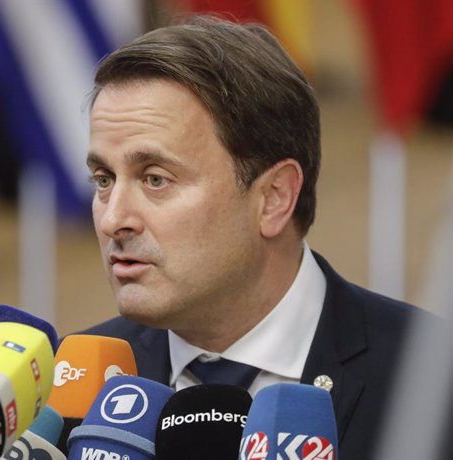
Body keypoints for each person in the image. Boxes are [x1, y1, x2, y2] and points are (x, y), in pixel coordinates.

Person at [80, 16, 428, 458]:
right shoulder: (67, 387)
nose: (114, 220)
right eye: (103, 179)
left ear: (274, 198)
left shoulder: (433, 381)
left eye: (155, 179)